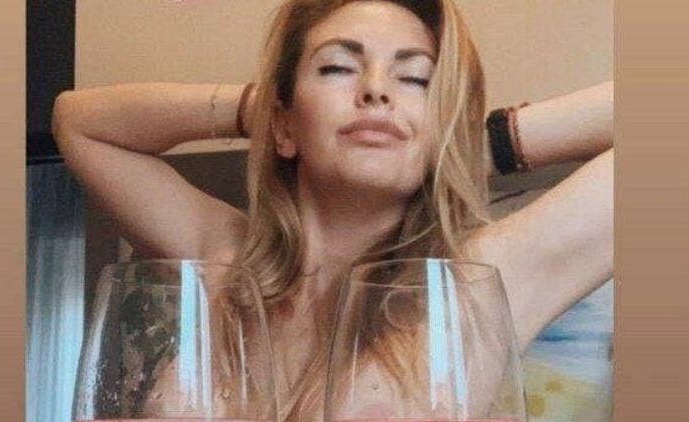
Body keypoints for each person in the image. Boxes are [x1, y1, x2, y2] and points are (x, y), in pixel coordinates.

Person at [52, 0, 613, 419]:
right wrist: (264, 113)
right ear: (284, 123)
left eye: (415, 78)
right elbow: (80, 122)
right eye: (338, 68)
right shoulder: (225, 258)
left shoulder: (481, 281)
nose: (376, 90)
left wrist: (469, 146)